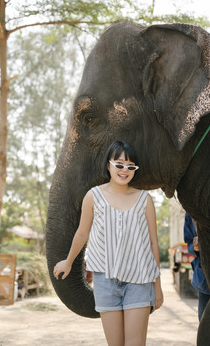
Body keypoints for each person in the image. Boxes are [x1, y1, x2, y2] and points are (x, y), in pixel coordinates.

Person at [53, 140, 163, 346]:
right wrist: (68, 262)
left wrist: (157, 286)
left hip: (139, 281)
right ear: (108, 165)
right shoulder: (93, 197)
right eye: (119, 164)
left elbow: (153, 245)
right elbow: (81, 233)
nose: (124, 170)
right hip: (105, 281)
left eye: (131, 166)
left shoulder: (145, 200)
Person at [184, 212, 210, 321]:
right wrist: (194, 247)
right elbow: (189, 244)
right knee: (205, 329)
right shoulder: (190, 211)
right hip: (205, 280)